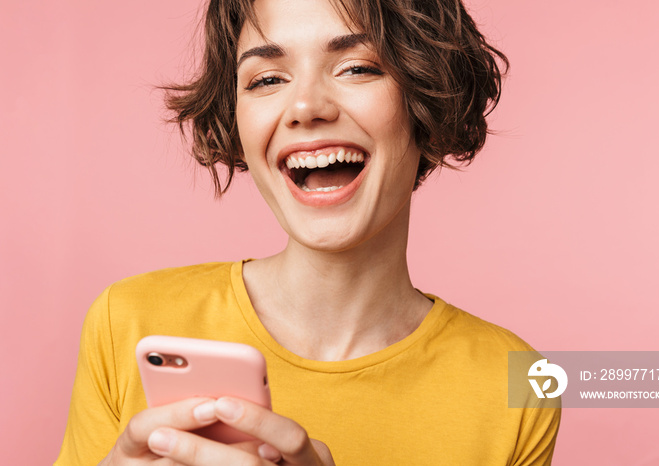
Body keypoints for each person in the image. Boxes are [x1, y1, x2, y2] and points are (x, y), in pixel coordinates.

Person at [56, 0, 561, 464]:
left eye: (357, 67)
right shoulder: (125, 320)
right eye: (266, 79)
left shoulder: (519, 382)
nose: (306, 107)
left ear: (426, 99)